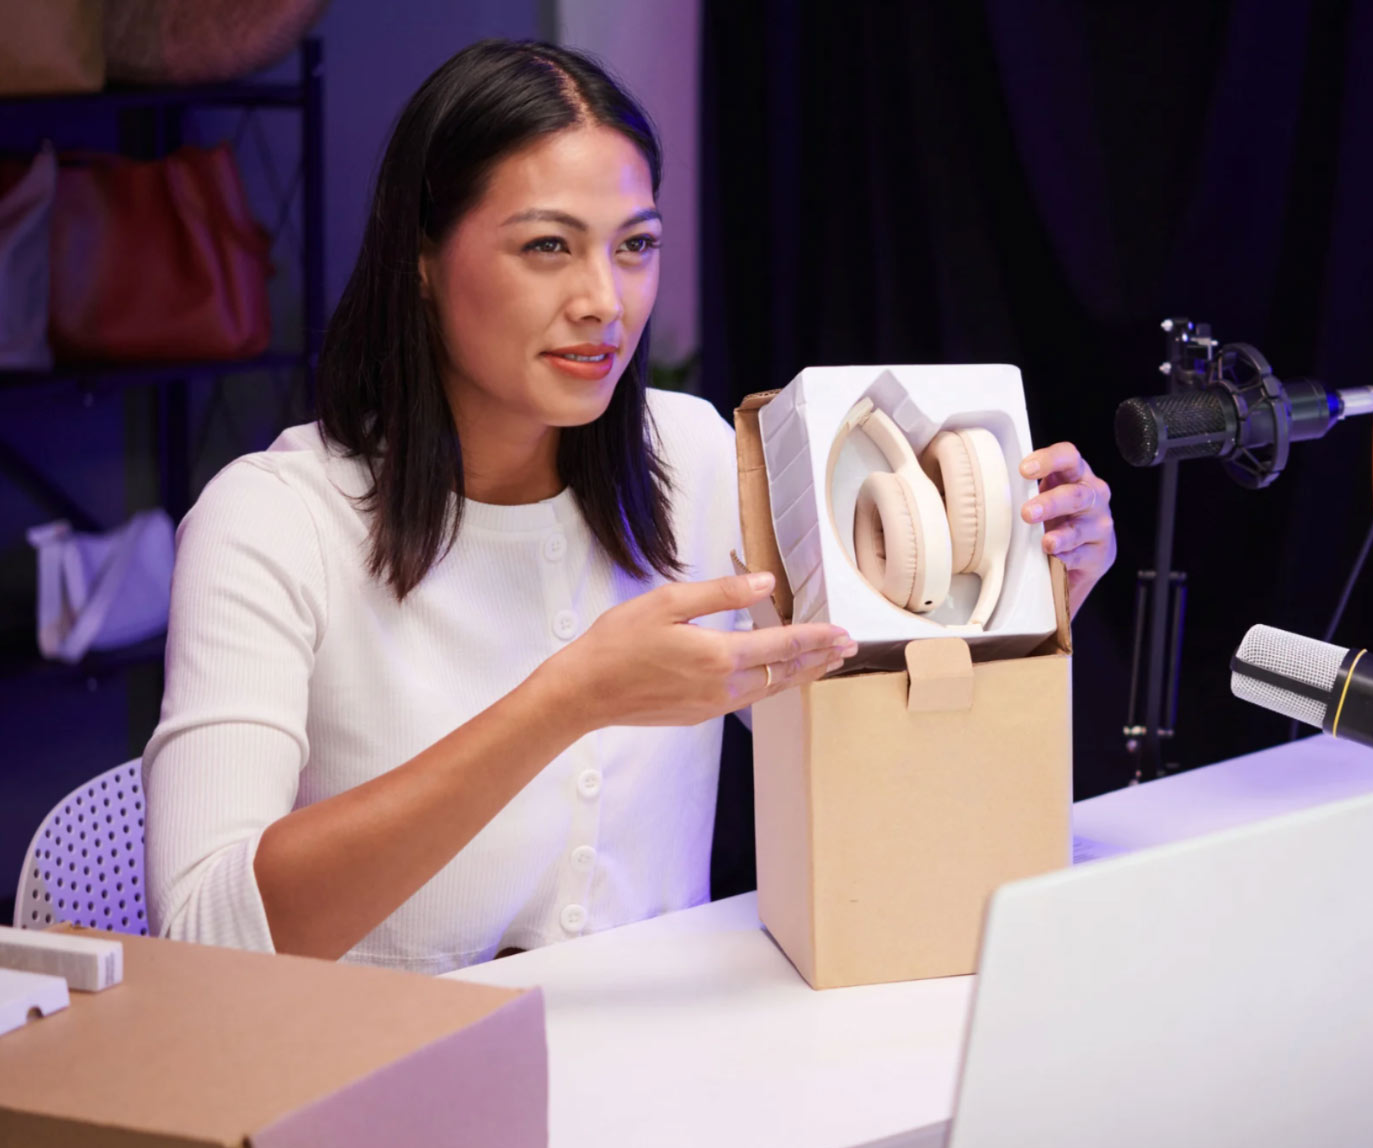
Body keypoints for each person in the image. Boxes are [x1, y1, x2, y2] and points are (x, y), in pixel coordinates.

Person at [145, 39, 1117, 974]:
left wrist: (1019, 611)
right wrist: (568, 701)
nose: (604, 300)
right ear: (424, 259)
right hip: (368, 1094)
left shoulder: (693, 457)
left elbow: (877, 793)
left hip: (665, 1075)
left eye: (636, 245)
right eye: (548, 247)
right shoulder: (271, 526)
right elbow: (203, 941)